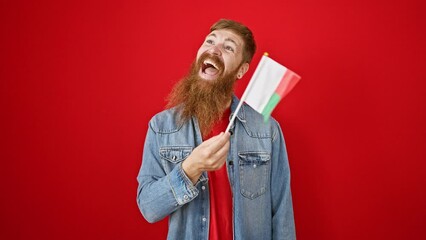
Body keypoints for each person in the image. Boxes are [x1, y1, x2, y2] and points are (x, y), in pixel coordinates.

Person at [136, 19, 296, 240]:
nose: (214, 49)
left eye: (228, 47)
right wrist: (190, 168)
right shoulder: (161, 127)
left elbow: (282, 214)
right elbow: (149, 208)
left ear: (241, 71)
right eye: (210, 41)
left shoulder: (267, 130)